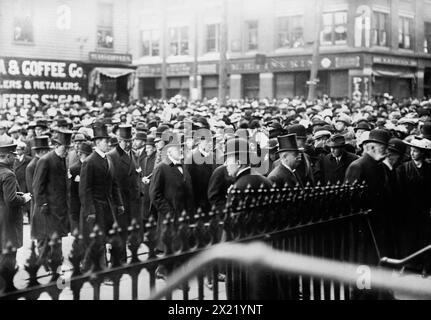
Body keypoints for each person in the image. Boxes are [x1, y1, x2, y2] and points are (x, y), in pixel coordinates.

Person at [345, 129, 391, 259]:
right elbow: (349, 196)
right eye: (383, 148)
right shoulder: (358, 166)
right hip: (363, 222)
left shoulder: (380, 166)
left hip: (377, 220)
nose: (386, 151)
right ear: (371, 147)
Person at [79, 123, 124, 243]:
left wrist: (119, 203)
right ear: (97, 143)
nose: (108, 144)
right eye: (105, 141)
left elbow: (114, 184)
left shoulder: (108, 159)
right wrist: (90, 211)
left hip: (109, 206)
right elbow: (85, 189)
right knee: (97, 240)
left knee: (110, 238)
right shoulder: (89, 162)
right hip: (96, 208)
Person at [150, 137, 195, 252]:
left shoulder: (183, 166)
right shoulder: (162, 167)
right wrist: (169, 212)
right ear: (169, 152)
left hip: (184, 217)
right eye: (177, 149)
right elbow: (155, 194)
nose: (180, 151)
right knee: (170, 253)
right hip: (170, 218)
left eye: (181, 148)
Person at [32, 130, 73, 255]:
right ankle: (50, 266)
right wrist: (43, 204)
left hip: (58, 207)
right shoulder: (45, 160)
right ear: (56, 146)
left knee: (57, 237)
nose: (66, 151)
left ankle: (56, 265)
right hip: (48, 208)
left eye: (68, 148)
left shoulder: (61, 159)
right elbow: (37, 185)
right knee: (48, 238)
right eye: (64, 148)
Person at [108, 125, 141, 260]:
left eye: (130, 141)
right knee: (119, 232)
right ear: (119, 140)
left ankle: (131, 257)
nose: (128, 144)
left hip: (132, 199)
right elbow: (111, 181)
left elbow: (137, 174)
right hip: (120, 200)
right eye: (125, 141)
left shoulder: (134, 154)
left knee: (131, 231)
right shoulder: (112, 156)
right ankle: (119, 260)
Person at [396, 137, 431, 259]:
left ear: (422, 153)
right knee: (408, 237)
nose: (412, 153)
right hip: (408, 209)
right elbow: (399, 190)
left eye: (415, 151)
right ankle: (407, 263)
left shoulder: (428, 168)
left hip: (424, 209)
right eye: (411, 150)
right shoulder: (403, 168)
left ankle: (424, 265)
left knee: (423, 237)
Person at [0, 141, 32, 253]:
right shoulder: (8, 174)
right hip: (8, 220)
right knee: (8, 256)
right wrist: (24, 198)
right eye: (14, 155)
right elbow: (10, 199)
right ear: (8, 156)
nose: (15, 158)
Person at [185, 136, 217, 214]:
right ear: (199, 142)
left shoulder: (214, 156)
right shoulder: (191, 158)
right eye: (208, 141)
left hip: (212, 200)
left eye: (212, 141)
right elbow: (188, 183)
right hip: (199, 202)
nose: (210, 144)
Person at [68, 142, 93, 233]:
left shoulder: (93, 166)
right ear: (80, 154)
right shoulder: (74, 169)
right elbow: (71, 191)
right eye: (85, 155)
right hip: (78, 204)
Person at [13, 142, 32, 222]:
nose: (17, 151)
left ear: (23, 150)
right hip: (17, 182)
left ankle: (30, 218)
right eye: (16, 149)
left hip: (25, 182)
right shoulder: (14, 159)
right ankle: (20, 218)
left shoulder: (29, 159)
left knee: (28, 200)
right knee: (19, 200)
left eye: (19, 149)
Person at [141, 136, 157, 222]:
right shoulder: (144, 160)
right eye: (146, 148)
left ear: (154, 149)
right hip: (145, 194)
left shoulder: (157, 160)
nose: (146, 150)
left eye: (148, 148)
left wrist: (150, 181)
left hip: (153, 193)